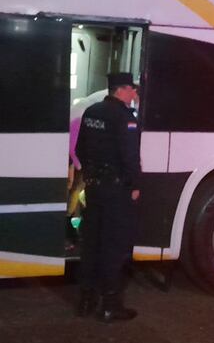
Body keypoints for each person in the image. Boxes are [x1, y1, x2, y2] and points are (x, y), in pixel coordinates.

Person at [74, 72, 141, 322]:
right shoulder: (125, 117)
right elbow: (129, 156)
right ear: (121, 90)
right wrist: (135, 185)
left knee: (91, 244)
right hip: (116, 190)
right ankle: (110, 305)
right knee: (113, 246)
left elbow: (80, 149)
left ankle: (86, 301)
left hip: (93, 187)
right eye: (132, 89)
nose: (134, 93)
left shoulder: (92, 112)